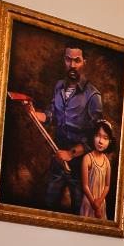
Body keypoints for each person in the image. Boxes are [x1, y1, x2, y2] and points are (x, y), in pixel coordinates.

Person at [35, 46, 102, 212]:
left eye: (77, 60)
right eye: (68, 59)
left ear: (84, 62)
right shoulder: (59, 86)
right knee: (48, 208)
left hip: (80, 167)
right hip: (58, 160)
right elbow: (50, 114)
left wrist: (71, 154)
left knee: (78, 213)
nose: (72, 65)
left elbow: (95, 137)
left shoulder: (93, 96)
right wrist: (34, 114)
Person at [80, 118, 116, 219]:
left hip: (100, 203)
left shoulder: (107, 162)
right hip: (89, 202)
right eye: (97, 136)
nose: (100, 141)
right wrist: (94, 205)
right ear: (93, 136)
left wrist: (99, 202)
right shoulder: (87, 158)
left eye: (105, 138)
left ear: (110, 141)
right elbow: (85, 186)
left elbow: (107, 185)